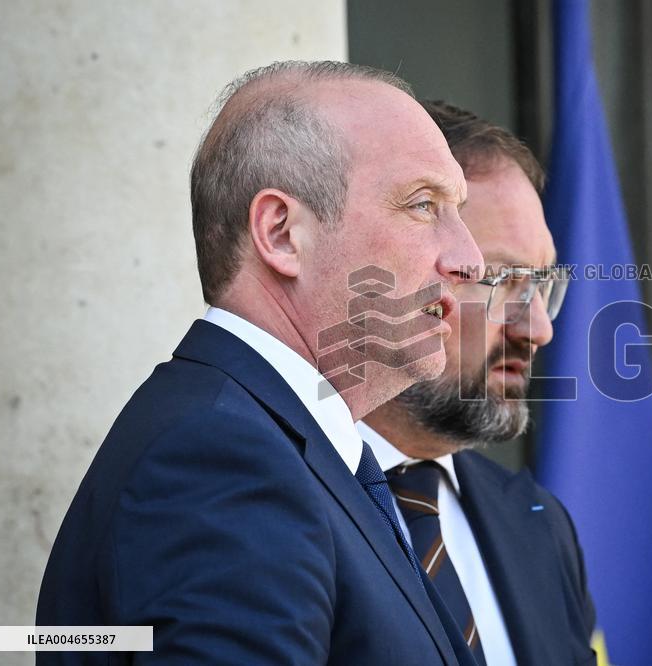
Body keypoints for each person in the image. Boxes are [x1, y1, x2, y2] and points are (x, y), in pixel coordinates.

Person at [36, 61, 486, 665]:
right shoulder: (219, 456)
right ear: (280, 234)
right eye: (422, 204)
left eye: (457, 209)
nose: (470, 258)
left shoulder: (270, 442)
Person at [359, 101, 597, 666]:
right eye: (503, 281)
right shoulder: (276, 494)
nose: (537, 328)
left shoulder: (541, 526)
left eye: (542, 286)